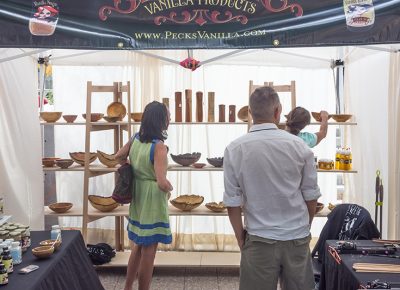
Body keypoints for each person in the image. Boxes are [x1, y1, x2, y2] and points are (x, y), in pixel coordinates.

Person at [223, 86, 321, 290]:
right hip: (296, 237)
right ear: (278, 112)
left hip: (258, 239)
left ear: (250, 113)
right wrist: (304, 227)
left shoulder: (235, 149)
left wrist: (242, 240)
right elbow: (311, 197)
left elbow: (232, 203)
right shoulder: (300, 146)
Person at [115, 101, 173, 290]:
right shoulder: (159, 148)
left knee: (137, 247)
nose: (170, 119)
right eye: (168, 116)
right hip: (152, 200)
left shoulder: (135, 138)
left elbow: (118, 156)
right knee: (149, 252)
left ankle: (127, 287)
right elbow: (161, 181)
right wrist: (170, 188)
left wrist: (132, 169)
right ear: (161, 121)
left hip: (138, 195)